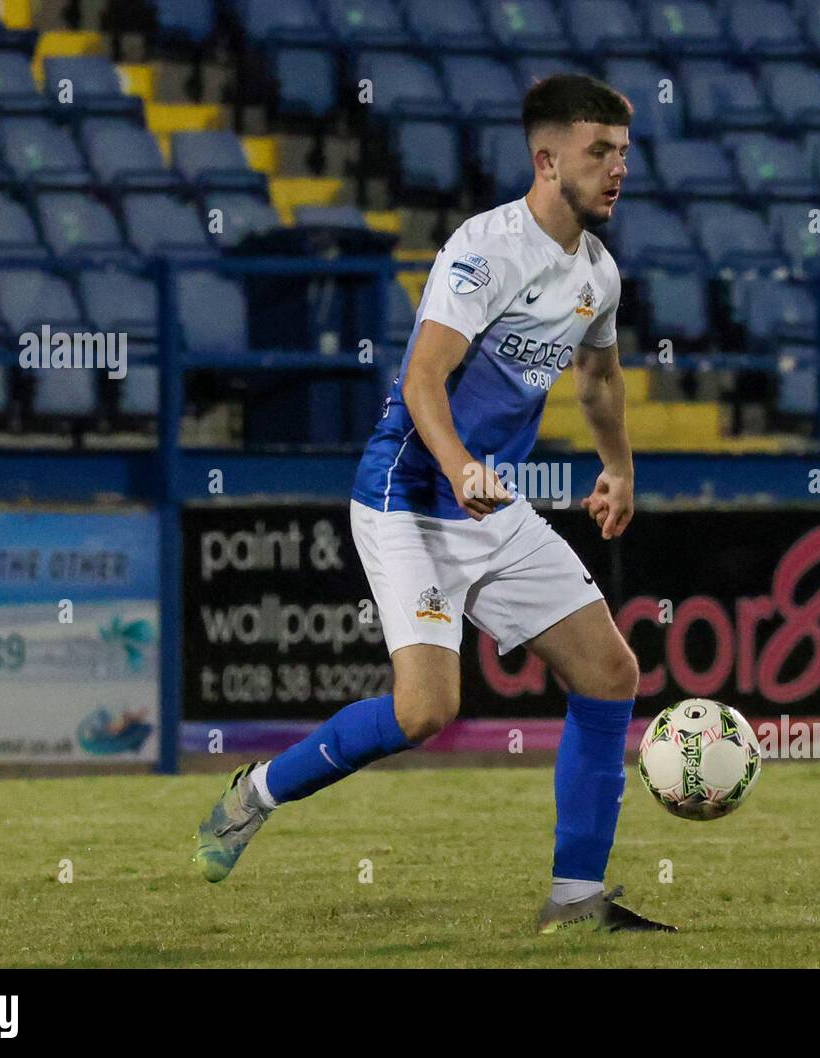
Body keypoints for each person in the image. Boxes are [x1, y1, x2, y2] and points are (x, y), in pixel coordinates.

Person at [194, 74, 674, 934]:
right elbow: (422, 379)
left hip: (490, 506)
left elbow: (600, 380)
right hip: (409, 496)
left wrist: (619, 469)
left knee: (610, 673)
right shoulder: (484, 249)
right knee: (426, 713)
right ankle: (255, 792)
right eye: (599, 152)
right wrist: (456, 467)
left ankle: (575, 903)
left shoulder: (596, 272)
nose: (616, 171)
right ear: (546, 157)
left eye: (623, 154)